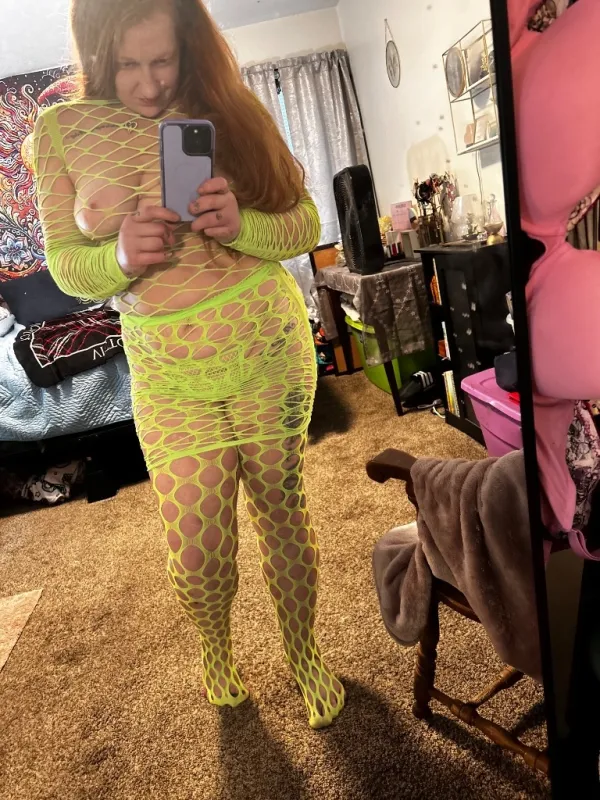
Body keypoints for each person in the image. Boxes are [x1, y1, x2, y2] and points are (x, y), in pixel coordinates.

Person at [33, 0, 345, 729]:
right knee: (200, 550)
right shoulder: (60, 132)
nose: (148, 84)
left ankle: (305, 653)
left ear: (188, 45)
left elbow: (304, 224)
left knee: (282, 510)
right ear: (95, 54)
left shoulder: (229, 108)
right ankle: (216, 647)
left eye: (163, 60)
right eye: (127, 64)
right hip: (170, 373)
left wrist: (243, 225)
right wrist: (116, 257)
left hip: (265, 347)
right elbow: (66, 266)